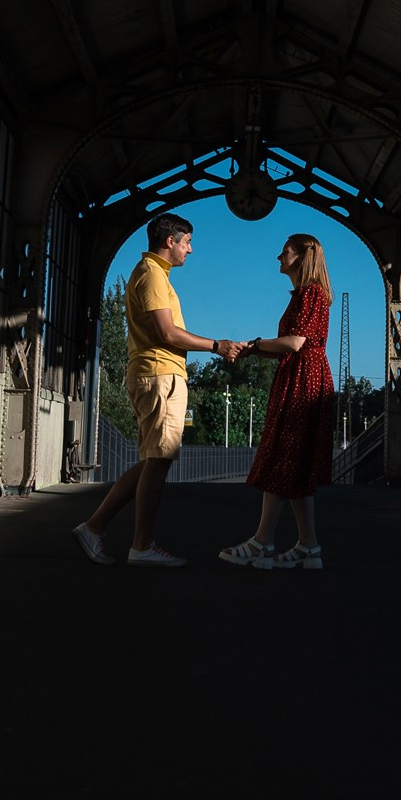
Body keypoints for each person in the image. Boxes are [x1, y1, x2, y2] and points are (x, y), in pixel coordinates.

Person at [71, 213, 242, 568]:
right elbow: (167, 333)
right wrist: (217, 345)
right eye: (187, 242)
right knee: (158, 462)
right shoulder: (151, 276)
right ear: (170, 241)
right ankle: (141, 545)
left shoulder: (154, 275)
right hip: (160, 374)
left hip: (157, 374)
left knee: (152, 461)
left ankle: (95, 528)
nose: (190, 251)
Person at [219, 234, 335, 570]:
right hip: (302, 377)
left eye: (284, 252)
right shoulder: (307, 294)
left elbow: (295, 342)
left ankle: (261, 541)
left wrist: (252, 345)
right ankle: (308, 547)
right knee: (295, 465)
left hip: (302, 382)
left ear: (301, 257)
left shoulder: (311, 293)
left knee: (282, 457)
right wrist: (255, 349)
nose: (278, 257)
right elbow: (292, 344)